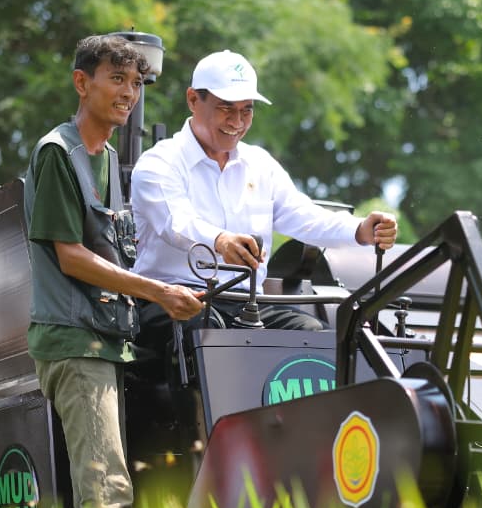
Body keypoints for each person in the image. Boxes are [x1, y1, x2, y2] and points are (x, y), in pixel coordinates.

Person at [24, 34, 203, 508]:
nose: (129, 93)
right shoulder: (60, 153)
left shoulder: (105, 159)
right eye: (117, 79)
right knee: (107, 493)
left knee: (117, 489)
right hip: (74, 342)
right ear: (82, 83)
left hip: (105, 344)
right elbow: (71, 255)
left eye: (137, 83)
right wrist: (159, 292)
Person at [130, 49, 398, 350]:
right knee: (207, 331)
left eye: (247, 110)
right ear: (193, 99)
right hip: (171, 301)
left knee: (314, 334)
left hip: (247, 305)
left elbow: (302, 214)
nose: (237, 121)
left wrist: (361, 230)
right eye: (226, 108)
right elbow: (175, 223)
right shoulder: (159, 162)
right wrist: (220, 241)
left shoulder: (260, 164)